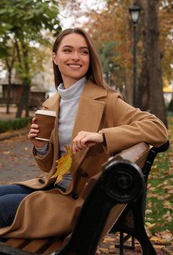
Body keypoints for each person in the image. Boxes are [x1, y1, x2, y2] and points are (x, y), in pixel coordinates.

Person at [0, 27, 168, 239]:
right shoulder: (51, 104)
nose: (76, 57)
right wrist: (41, 146)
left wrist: (102, 136)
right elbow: (50, 167)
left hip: (79, 201)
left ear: (90, 58)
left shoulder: (107, 99)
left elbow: (158, 128)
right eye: (68, 50)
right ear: (55, 57)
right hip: (53, 186)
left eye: (84, 51)